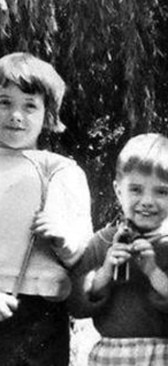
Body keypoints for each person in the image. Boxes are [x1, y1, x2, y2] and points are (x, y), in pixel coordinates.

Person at [68, 133, 168, 366]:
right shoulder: (103, 241)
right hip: (111, 355)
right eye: (136, 190)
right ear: (118, 191)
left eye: (161, 191)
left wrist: (154, 272)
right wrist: (104, 272)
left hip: (167, 356)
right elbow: (76, 305)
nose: (147, 201)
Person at [0, 52, 93, 366]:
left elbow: (84, 250)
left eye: (29, 105)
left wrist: (63, 240)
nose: (15, 115)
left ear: (48, 114)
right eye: (4, 102)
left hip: (41, 315)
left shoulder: (60, 171)